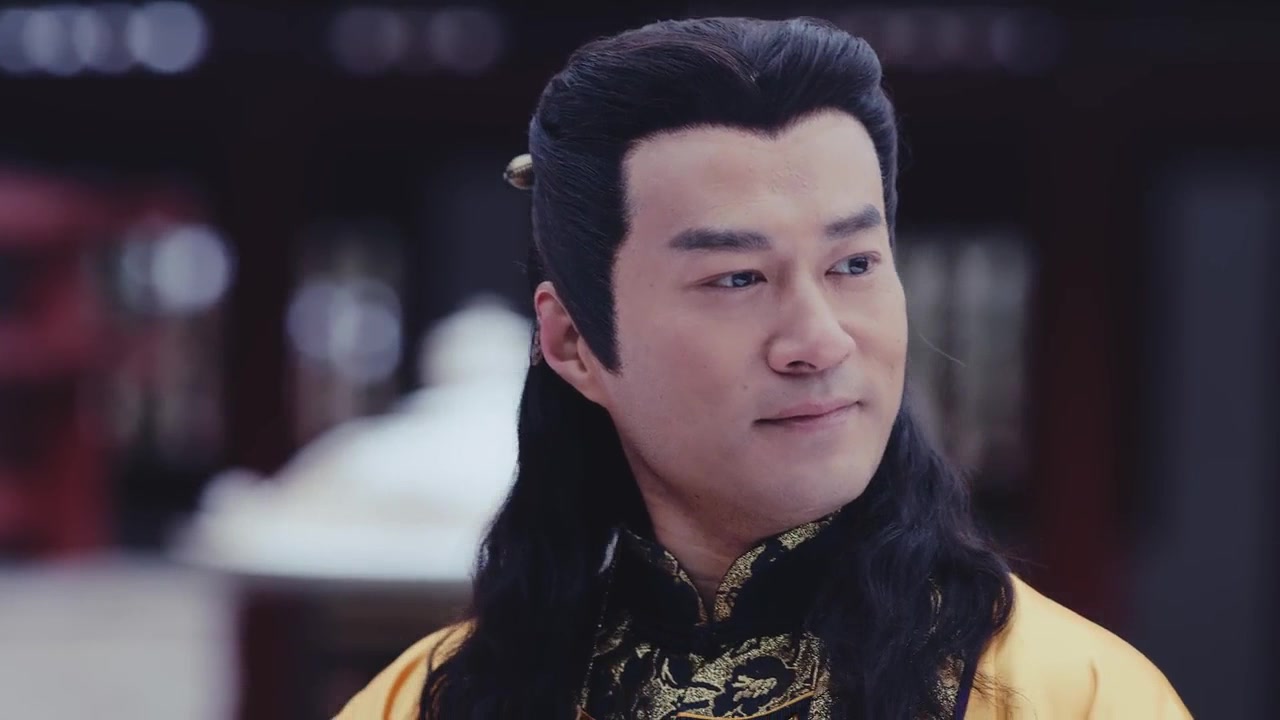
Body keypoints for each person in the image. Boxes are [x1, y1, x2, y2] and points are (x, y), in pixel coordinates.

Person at [337, 16, 1191, 720]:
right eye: (737, 278)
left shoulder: (1076, 698)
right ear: (573, 343)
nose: (818, 340)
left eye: (853, 265)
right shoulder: (429, 702)